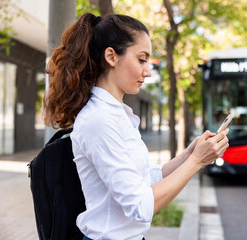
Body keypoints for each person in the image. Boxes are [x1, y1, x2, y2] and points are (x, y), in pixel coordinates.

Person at [43, 13, 230, 240]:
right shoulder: (99, 120)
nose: (148, 71)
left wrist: (189, 154)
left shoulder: (117, 114)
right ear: (111, 56)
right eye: (142, 60)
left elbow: (143, 180)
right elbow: (140, 206)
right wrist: (196, 161)